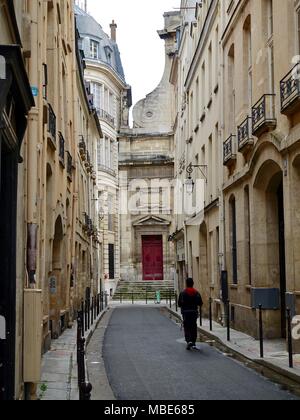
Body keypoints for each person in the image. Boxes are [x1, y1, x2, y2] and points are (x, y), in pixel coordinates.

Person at [178, 278, 203, 350]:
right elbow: (200, 303)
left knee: (187, 326)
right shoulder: (196, 293)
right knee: (193, 326)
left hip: (185, 312)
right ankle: (193, 342)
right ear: (193, 283)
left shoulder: (182, 293)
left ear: (186, 284)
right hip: (194, 312)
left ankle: (188, 341)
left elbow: (179, 304)